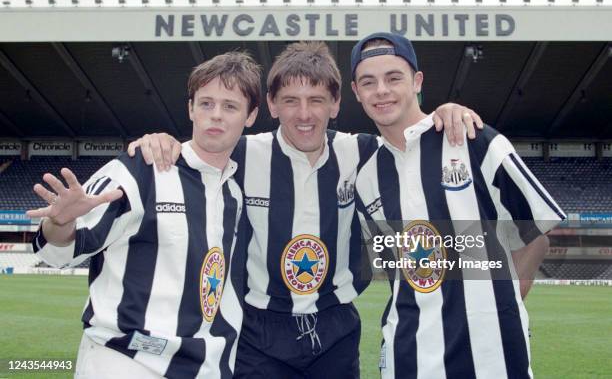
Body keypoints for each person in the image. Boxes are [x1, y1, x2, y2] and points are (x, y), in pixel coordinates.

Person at [129, 41, 483, 378]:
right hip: (259, 329)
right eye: (290, 100)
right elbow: (195, 151)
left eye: (316, 100)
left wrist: (447, 112)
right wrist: (161, 141)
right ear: (271, 104)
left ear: (336, 103)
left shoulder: (362, 153)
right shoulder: (242, 153)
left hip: (336, 327)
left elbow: (411, 139)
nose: (303, 114)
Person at [26, 51, 261, 379]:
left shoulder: (235, 192)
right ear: (190, 108)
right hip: (125, 361)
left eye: (231, 106)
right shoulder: (141, 168)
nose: (216, 115)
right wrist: (60, 222)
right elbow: (58, 253)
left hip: (207, 367)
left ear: (251, 116)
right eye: (206, 103)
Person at [351, 32, 566, 378]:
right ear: (356, 92)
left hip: (492, 357)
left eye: (394, 78)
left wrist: (501, 304)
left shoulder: (473, 138)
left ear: (417, 81)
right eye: (368, 82)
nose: (381, 91)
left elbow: (537, 234)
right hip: (409, 355)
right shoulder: (364, 174)